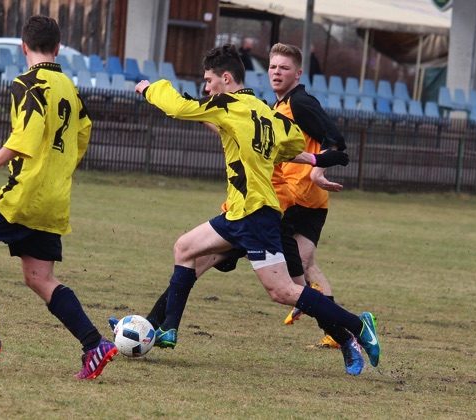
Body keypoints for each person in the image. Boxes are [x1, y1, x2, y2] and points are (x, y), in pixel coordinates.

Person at [133, 44, 380, 376]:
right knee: (186, 249)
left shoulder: (241, 105)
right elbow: (290, 141)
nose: (206, 88)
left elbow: (178, 106)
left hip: (258, 214)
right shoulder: (266, 111)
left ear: (225, 78)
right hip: (241, 212)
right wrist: (312, 159)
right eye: (272, 67)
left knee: (285, 290)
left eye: (209, 81)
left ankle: (355, 327)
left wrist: (151, 89)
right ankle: (164, 328)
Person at [0, 15, 118, 380]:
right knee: (39, 277)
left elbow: (27, 136)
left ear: (23, 47)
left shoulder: (27, 84)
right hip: (54, 199)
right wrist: (60, 167)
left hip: (22, 195)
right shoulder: (69, 87)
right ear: (57, 47)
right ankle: (94, 344)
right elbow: (83, 132)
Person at [269, 43, 348, 350]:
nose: (277, 72)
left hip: (301, 197)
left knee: (293, 269)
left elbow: (336, 141)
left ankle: (310, 303)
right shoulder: (278, 105)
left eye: (284, 68)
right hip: (300, 198)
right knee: (307, 263)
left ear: (298, 73)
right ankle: (336, 328)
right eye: (273, 67)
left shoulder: (301, 102)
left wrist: (317, 170)